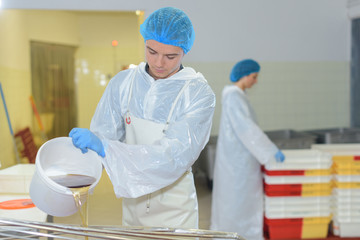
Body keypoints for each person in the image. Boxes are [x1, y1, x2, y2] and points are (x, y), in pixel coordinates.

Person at [68, 7, 215, 229]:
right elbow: (103, 134)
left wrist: (107, 149)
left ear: (184, 51)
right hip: (133, 202)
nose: (158, 63)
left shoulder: (197, 93)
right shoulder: (124, 83)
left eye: (170, 56)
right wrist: (87, 157)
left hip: (175, 209)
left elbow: (173, 157)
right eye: (151, 51)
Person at [210, 59, 285, 240]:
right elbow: (246, 129)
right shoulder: (234, 97)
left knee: (239, 202)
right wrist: (269, 150)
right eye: (254, 77)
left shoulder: (238, 96)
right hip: (237, 164)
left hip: (240, 160)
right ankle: (237, 235)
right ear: (244, 75)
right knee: (238, 203)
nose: (256, 81)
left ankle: (239, 234)